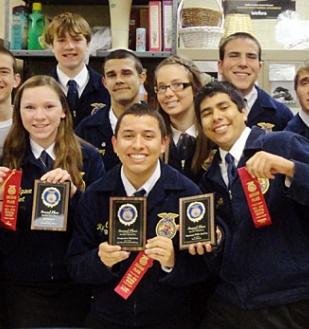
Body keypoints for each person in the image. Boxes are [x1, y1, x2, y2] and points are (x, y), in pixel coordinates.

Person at [192, 81, 309, 328]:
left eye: (223, 107)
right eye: (206, 113)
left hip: (290, 302)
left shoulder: (282, 144)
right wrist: (215, 241)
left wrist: (290, 169)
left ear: (243, 111)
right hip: (234, 302)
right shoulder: (210, 176)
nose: (216, 117)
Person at [67, 103, 212, 328]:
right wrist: (99, 260)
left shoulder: (188, 194)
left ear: (163, 143)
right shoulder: (95, 195)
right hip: (107, 319)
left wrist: (172, 262)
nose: (137, 145)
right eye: (128, 136)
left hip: (170, 320)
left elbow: (203, 270)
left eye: (148, 136)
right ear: (115, 144)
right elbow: (75, 266)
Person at [0, 75, 105, 328]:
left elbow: (100, 229)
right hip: (22, 291)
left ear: (63, 111)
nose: (39, 116)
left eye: (49, 107)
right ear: (19, 114)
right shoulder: (5, 166)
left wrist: (75, 197)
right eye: (29, 108)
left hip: (77, 288)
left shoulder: (89, 159)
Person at [75, 49, 146, 171]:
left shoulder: (158, 124)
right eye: (112, 75)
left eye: (126, 73)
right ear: (104, 83)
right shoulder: (86, 129)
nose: (119, 80)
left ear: (141, 78)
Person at [218, 32, 293, 132]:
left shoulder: (281, 115)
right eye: (234, 55)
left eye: (251, 57)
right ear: (220, 66)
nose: (243, 63)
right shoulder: (203, 110)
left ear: (259, 67)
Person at [44, 12, 111, 124]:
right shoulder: (40, 89)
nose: (69, 46)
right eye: (61, 40)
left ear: (88, 44)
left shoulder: (106, 88)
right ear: (52, 45)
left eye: (76, 39)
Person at [155, 54, 207, 182]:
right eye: (162, 87)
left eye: (177, 85)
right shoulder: (153, 139)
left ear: (195, 88)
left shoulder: (214, 136)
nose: (168, 93)